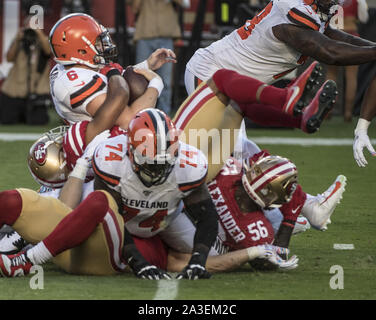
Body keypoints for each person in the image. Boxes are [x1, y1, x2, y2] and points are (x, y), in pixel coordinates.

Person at [185, 0, 376, 131]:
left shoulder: (311, 11)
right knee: (225, 157)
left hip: (237, 86)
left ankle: (296, 113)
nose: (334, 3)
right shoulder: (291, 18)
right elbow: (330, 52)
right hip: (210, 72)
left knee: (237, 159)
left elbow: (337, 36)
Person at [48, 13, 176, 128]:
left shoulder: (75, 68)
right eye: (98, 42)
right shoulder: (73, 82)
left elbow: (112, 77)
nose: (104, 46)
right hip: (101, 149)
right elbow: (129, 121)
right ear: (81, 50)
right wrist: (156, 84)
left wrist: (147, 65)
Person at [128, 0, 191, 116]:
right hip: (144, 36)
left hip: (166, 37)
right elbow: (135, 9)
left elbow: (186, 4)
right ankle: (140, 115)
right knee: (139, 78)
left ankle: (164, 115)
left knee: (166, 81)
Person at [0, 17, 51, 125]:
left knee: (38, 121)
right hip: (14, 90)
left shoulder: (44, 41)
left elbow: (48, 52)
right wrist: (18, 40)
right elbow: (9, 58)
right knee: (6, 120)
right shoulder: (19, 41)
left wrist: (39, 34)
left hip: (37, 91)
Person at [325, 0, 369, 122]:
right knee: (351, 77)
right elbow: (364, 18)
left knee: (331, 74)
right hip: (351, 36)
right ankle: (348, 113)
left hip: (334, 36)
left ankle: (327, 110)